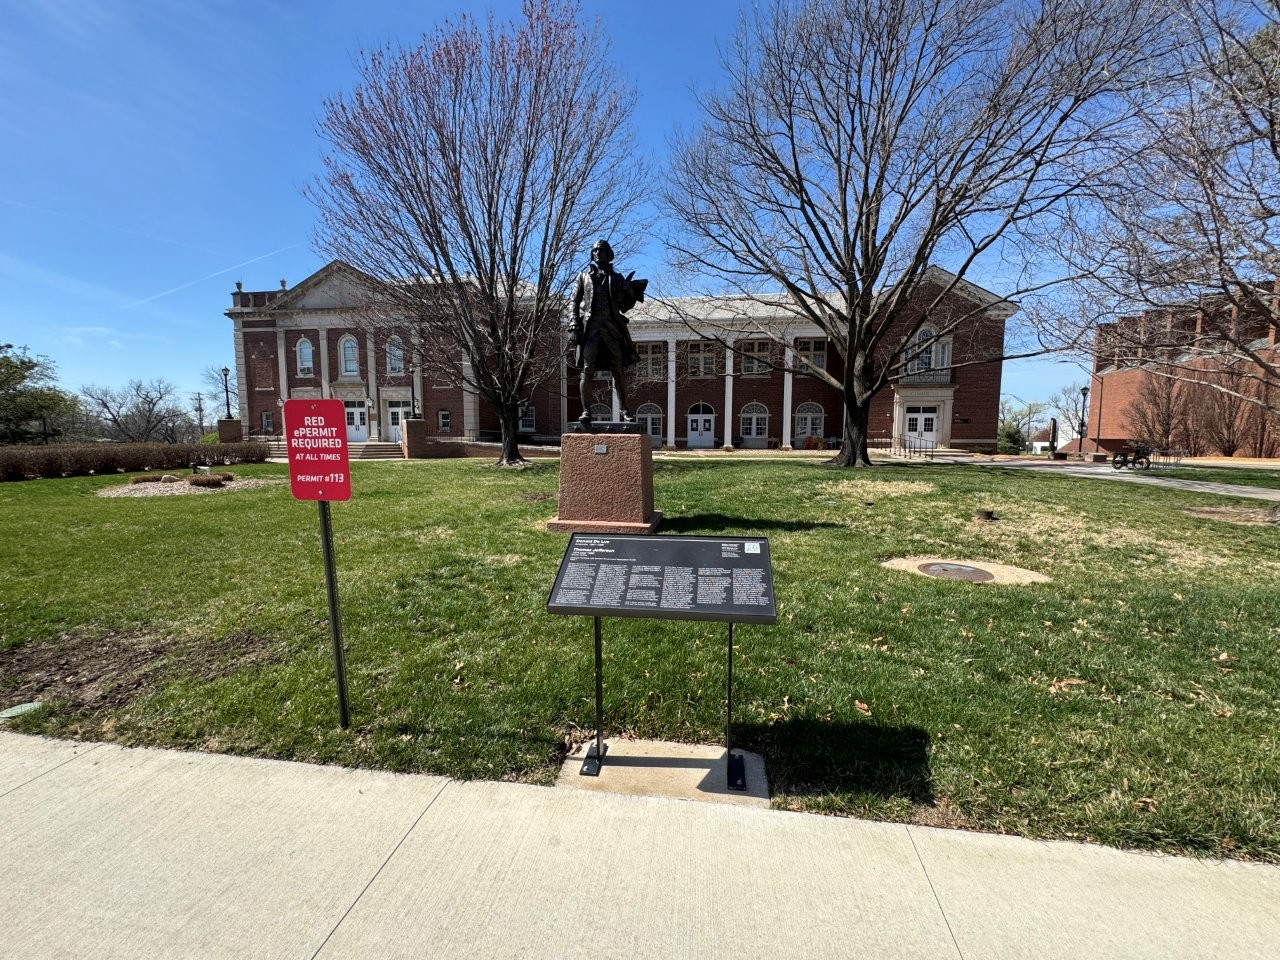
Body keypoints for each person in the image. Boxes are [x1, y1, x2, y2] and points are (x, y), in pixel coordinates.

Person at [570, 240, 646, 426]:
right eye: (595, 251)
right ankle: (586, 411)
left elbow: (624, 306)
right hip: (591, 329)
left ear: (608, 254)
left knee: (618, 370)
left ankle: (625, 410)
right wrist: (574, 322)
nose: (597, 253)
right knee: (587, 370)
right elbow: (573, 300)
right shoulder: (583, 277)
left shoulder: (618, 278)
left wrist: (629, 292)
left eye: (601, 250)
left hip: (612, 329)